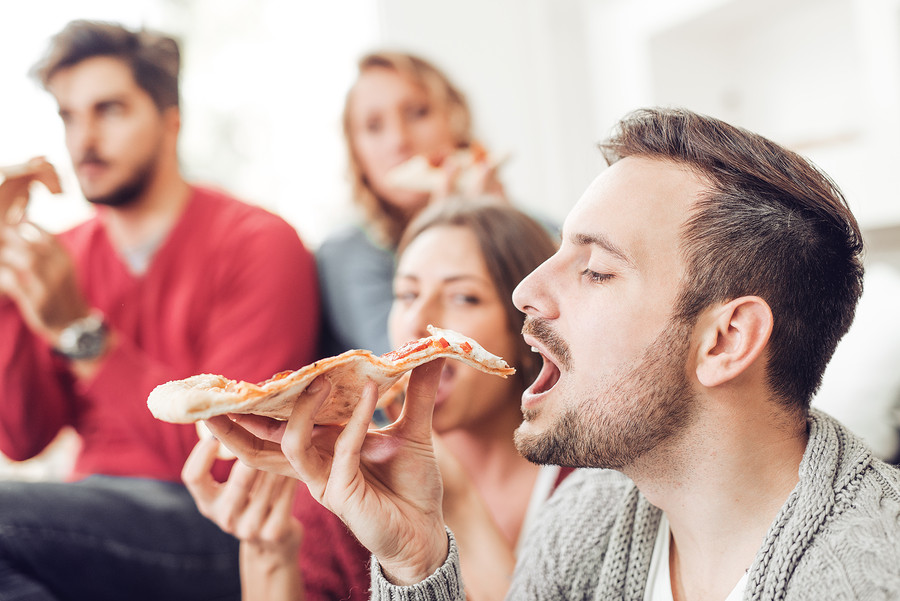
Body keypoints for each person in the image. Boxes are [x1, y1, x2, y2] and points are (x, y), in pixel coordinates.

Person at [207, 107, 900, 600]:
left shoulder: (864, 571)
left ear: (726, 340)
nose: (527, 291)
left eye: (595, 270)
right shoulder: (589, 518)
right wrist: (416, 562)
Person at [0, 20, 319, 601]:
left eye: (109, 110)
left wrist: (82, 334)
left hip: (218, 521)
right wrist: (6, 297)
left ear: (172, 120)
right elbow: (21, 439)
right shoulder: (63, 254)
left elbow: (232, 459)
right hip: (91, 514)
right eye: (68, 116)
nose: (83, 139)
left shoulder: (259, 241)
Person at [185, 201, 566, 601]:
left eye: (464, 298)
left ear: (530, 333)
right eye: (406, 294)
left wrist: (458, 504)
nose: (416, 323)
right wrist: (270, 552)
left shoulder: (596, 474)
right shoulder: (343, 483)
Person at [316, 51, 506, 357]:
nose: (398, 141)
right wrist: (446, 238)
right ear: (357, 154)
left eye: (418, 113)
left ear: (455, 122)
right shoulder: (347, 254)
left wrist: (507, 236)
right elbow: (408, 369)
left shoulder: (535, 225)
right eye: (374, 126)